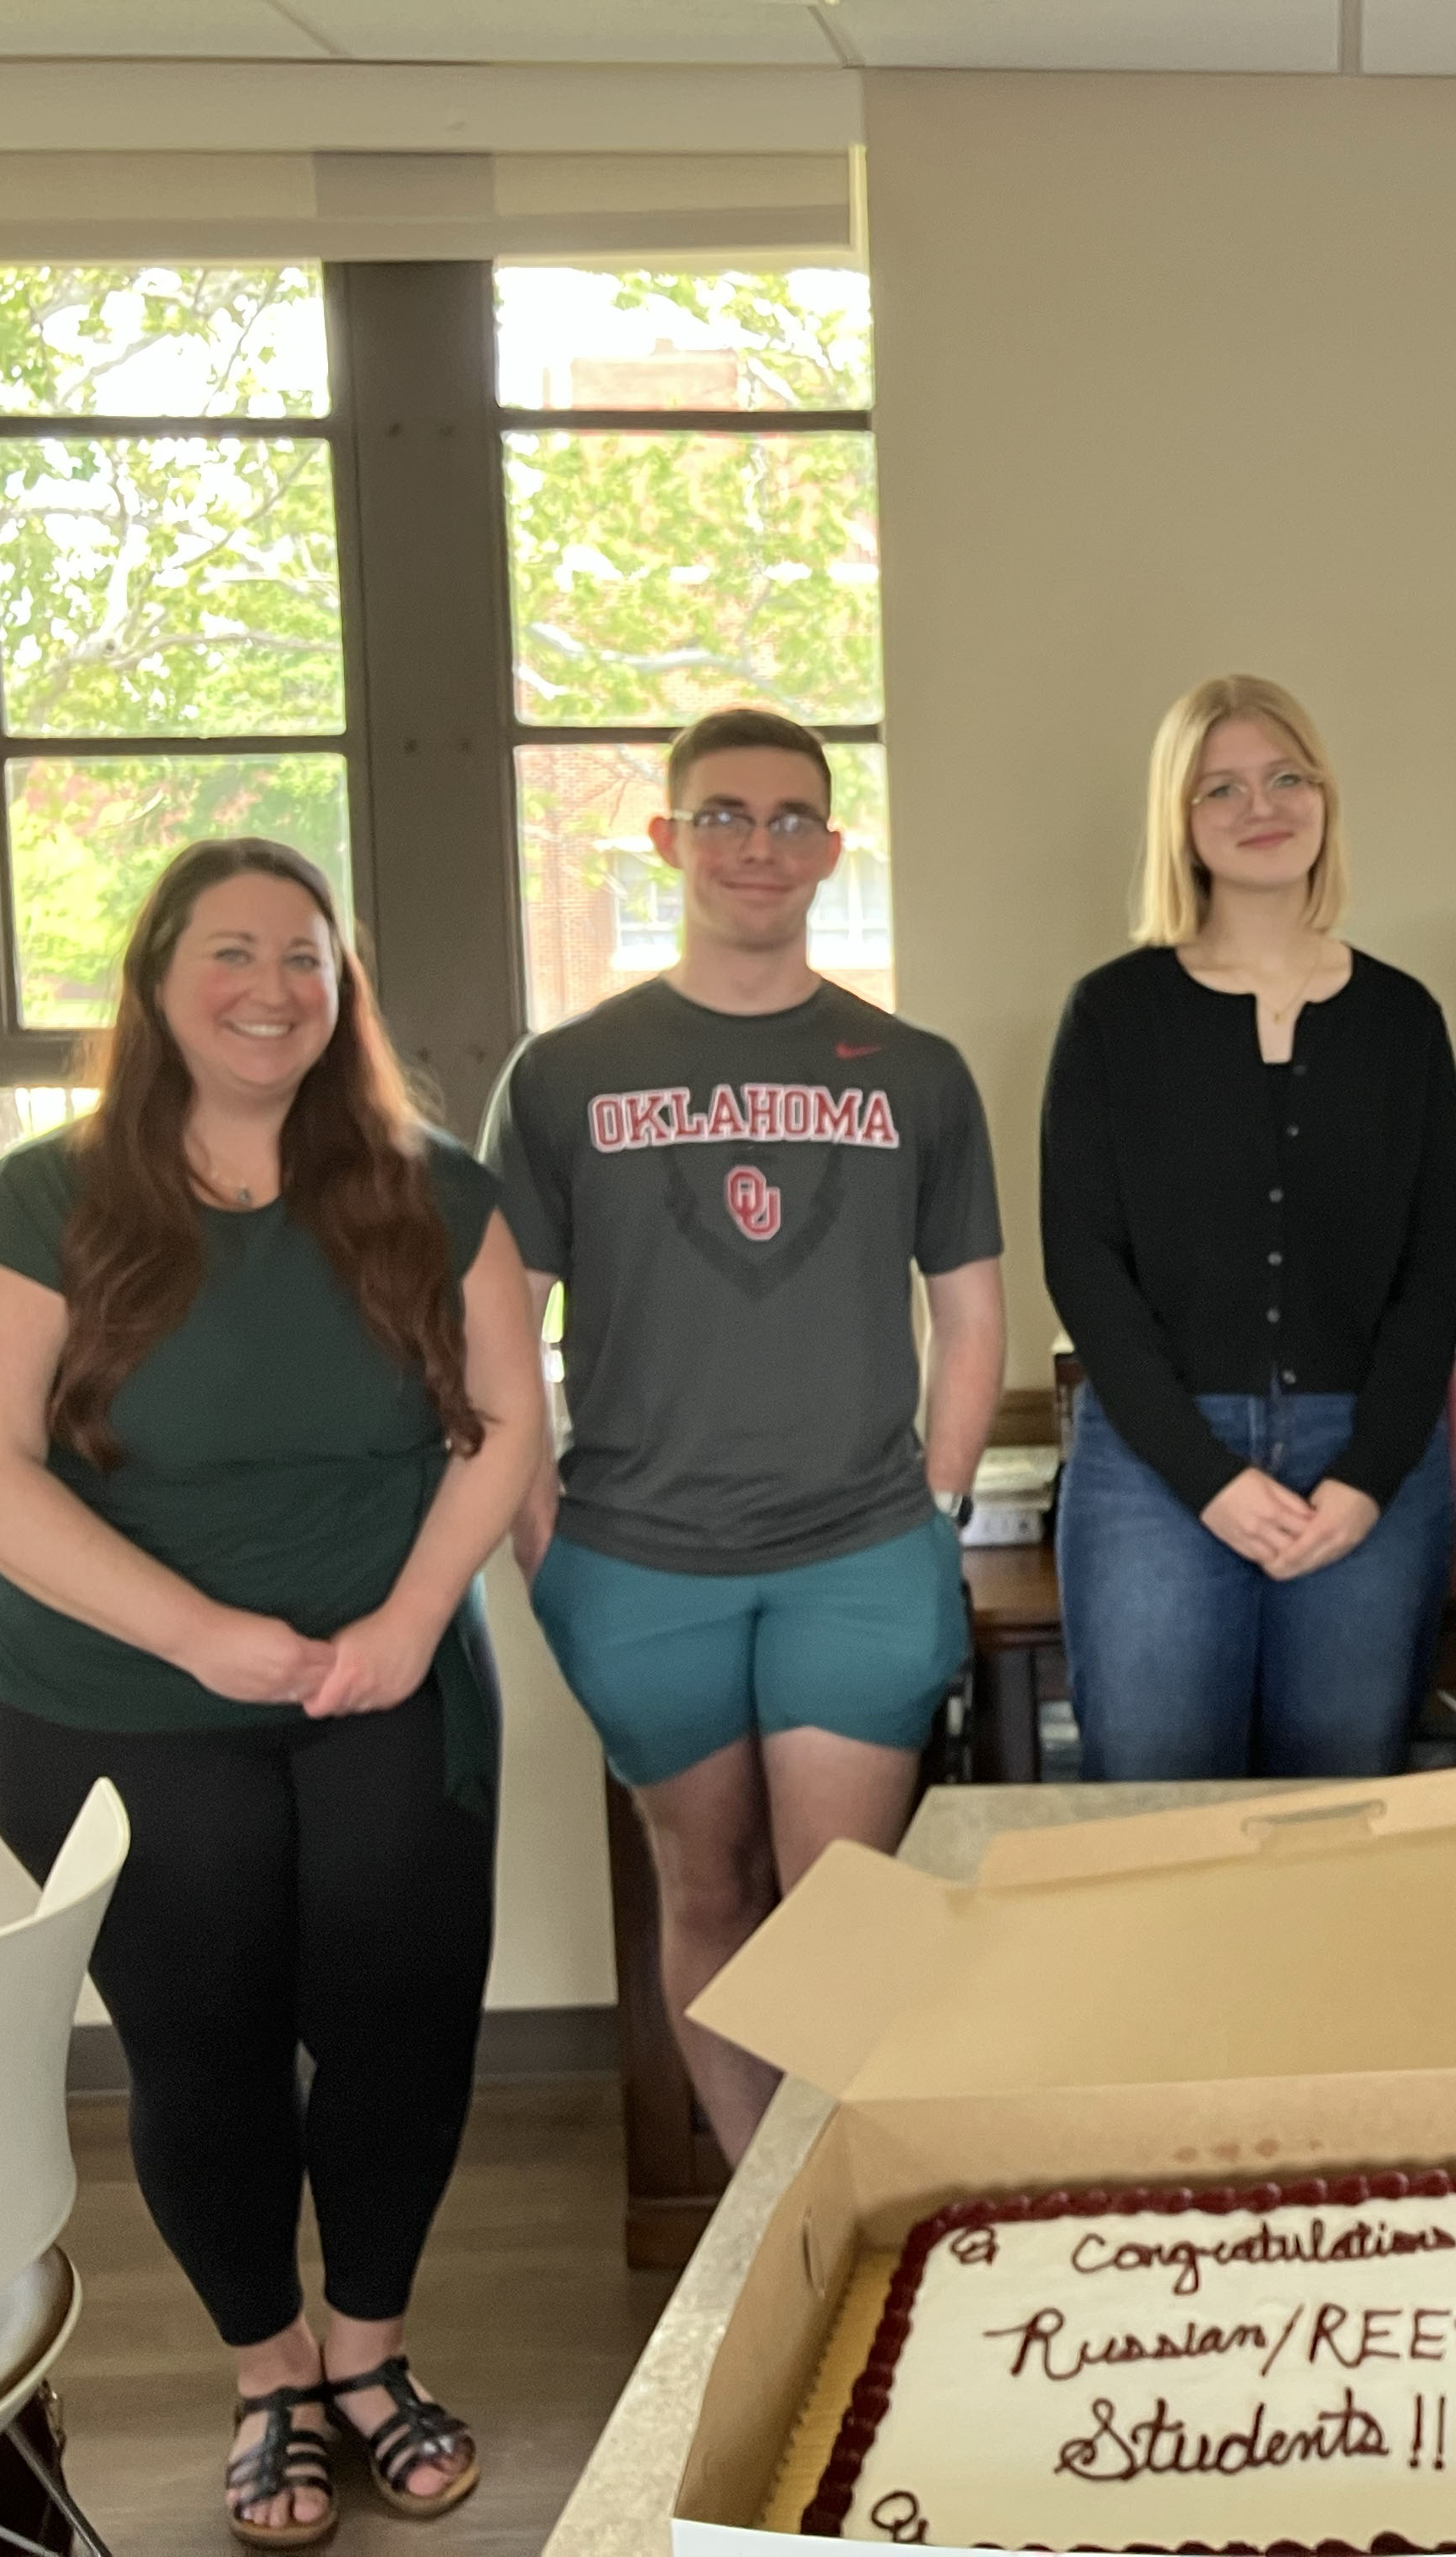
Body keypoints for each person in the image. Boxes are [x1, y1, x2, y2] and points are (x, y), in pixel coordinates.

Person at [0, 840, 542, 2545]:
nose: (271, 987)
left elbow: (508, 1424)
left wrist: (407, 1616)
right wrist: (192, 1634)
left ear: (341, 989)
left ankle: (371, 2359)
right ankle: (270, 2375)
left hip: (385, 1676)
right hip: (113, 1694)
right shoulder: (43, 1196)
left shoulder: (432, 1185)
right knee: (202, 2042)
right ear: (158, 984)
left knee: (400, 2025)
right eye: (230, 953)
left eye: (304, 956)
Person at [482, 706, 1004, 2164]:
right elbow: (496, 1336)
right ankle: (758, 2230)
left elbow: (969, 1314)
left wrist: (939, 1506)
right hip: (636, 1558)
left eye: (790, 818)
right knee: (704, 1888)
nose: (757, 844)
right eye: (723, 815)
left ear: (833, 848)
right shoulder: (564, 1071)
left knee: (839, 1898)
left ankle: (849, 2201)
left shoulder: (914, 1070)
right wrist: (539, 1547)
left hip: (856, 1547)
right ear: (666, 840)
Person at [1042, 674, 1456, 1780]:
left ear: (1325, 800)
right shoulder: (1113, 1015)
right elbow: (1085, 1265)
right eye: (1218, 787)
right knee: (1152, 1807)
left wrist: (1369, 1476)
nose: (1258, 806)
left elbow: (1435, 1269)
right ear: (1178, 822)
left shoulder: (1401, 1019)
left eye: (1286, 777)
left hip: (1365, 1461)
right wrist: (1205, 1475)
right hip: (1155, 1461)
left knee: (1341, 1807)